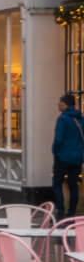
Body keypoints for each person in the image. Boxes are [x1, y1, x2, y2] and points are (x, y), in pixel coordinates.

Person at [52, 92, 84, 221]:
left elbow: (58, 139)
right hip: (77, 158)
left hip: (63, 157)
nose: (58, 105)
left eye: (60, 103)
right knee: (73, 185)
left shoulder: (62, 119)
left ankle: (60, 210)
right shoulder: (80, 119)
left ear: (65, 105)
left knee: (57, 183)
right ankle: (71, 212)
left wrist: (55, 151)